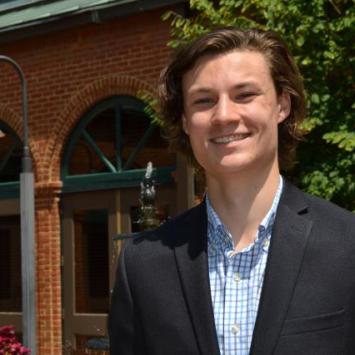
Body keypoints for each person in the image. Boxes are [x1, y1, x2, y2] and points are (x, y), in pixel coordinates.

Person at [109, 27, 355, 355]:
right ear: (184, 120)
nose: (224, 115)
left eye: (244, 95)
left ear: (282, 105)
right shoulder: (142, 266)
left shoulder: (347, 246)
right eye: (204, 100)